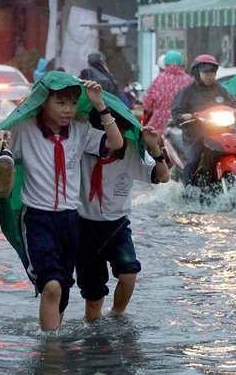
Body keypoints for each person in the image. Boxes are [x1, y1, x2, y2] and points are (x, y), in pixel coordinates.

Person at [0, 72, 124, 331]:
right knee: (51, 285)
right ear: (43, 102)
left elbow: (115, 143)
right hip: (38, 219)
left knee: (62, 288)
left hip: (71, 219)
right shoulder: (23, 129)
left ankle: (53, 346)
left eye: (73, 103)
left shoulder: (81, 130)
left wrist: (99, 105)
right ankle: (51, 354)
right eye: (60, 103)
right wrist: (1, 139)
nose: (68, 110)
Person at [77, 113, 171, 322]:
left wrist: (154, 148)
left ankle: (117, 316)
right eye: (109, 128)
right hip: (85, 227)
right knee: (93, 295)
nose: (115, 134)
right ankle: (93, 332)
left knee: (129, 273)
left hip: (117, 226)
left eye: (120, 128)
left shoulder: (130, 149)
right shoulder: (83, 146)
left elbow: (163, 177)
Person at [170, 54, 236, 187]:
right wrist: (184, 116)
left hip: (218, 133)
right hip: (195, 134)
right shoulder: (187, 92)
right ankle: (186, 190)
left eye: (212, 72)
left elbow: (232, 103)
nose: (210, 75)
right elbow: (176, 111)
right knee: (193, 160)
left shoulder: (219, 89)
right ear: (197, 73)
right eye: (206, 72)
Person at [142, 50, 191, 139]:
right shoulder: (188, 80)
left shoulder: (159, 79)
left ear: (165, 63)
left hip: (159, 126)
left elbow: (146, 104)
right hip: (182, 125)